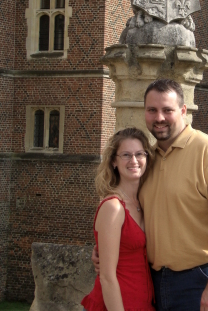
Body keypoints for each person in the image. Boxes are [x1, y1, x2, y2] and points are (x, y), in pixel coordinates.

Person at [93, 79, 208, 311]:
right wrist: (105, 251)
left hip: (200, 279)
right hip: (155, 283)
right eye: (152, 110)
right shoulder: (148, 160)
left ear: (183, 110)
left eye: (167, 110)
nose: (159, 118)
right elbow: (134, 217)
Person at [82, 127, 155, 311]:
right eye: (126, 155)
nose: (134, 161)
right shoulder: (113, 207)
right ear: (114, 161)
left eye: (140, 154)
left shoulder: (144, 203)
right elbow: (107, 277)